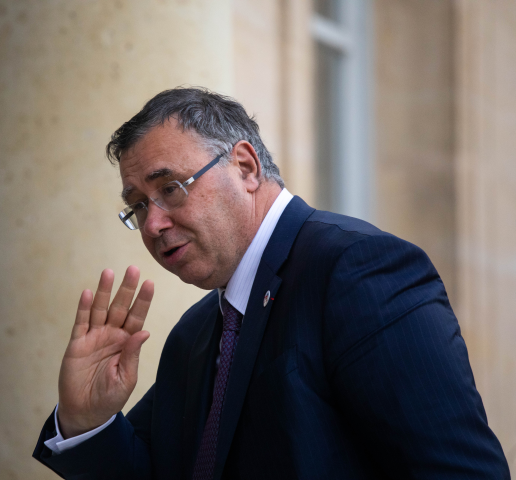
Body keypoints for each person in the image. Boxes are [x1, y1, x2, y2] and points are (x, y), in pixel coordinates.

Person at [33, 88, 509, 479]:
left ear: (245, 166)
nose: (153, 223)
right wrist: (88, 421)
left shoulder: (357, 269)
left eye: (170, 189)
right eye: (137, 206)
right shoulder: (195, 334)